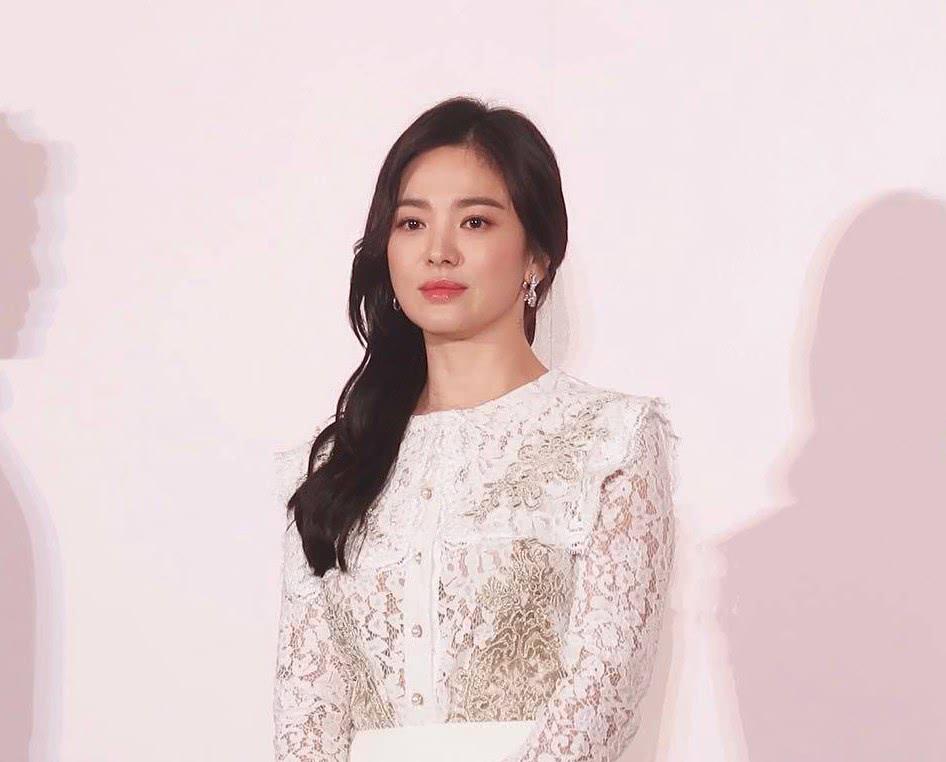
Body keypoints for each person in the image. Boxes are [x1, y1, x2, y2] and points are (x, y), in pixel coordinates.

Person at [272, 96, 680, 762]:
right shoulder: (338, 465)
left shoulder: (609, 441)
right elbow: (307, 713)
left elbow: (602, 694)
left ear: (537, 254)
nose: (439, 251)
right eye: (412, 223)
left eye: (476, 221)